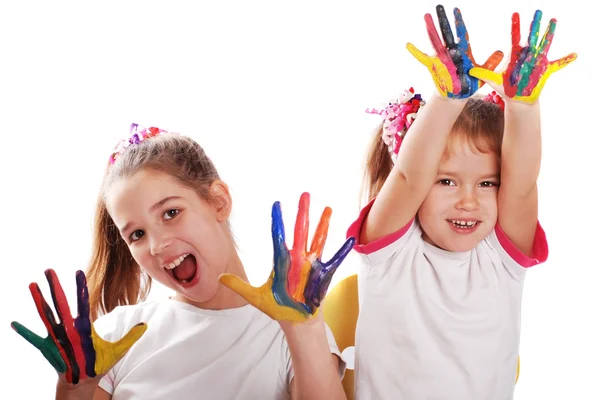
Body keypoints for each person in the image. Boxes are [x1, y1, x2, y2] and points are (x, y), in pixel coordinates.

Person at [11, 123, 355, 399]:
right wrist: (75, 390)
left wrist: (303, 332)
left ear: (218, 201)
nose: (157, 245)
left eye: (171, 213)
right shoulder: (118, 336)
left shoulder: (290, 333)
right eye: (137, 235)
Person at [347, 5, 576, 399]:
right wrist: (447, 98)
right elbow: (406, 176)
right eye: (447, 181)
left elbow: (521, 185)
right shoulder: (388, 254)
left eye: (487, 183)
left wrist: (523, 105)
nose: (468, 200)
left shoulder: (500, 257)